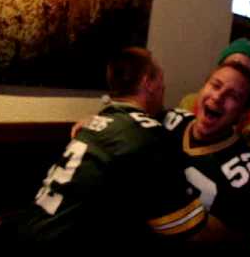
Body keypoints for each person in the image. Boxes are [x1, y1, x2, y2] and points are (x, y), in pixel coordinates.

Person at [15, 48, 206, 247]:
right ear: (147, 83)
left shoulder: (97, 122)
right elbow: (190, 232)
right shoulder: (150, 137)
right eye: (160, 79)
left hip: (28, 229)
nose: (164, 87)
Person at [165, 62, 250, 255]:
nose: (218, 97)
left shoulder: (248, 173)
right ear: (203, 88)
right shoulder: (170, 120)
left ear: (243, 114)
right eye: (216, 85)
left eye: (233, 96)